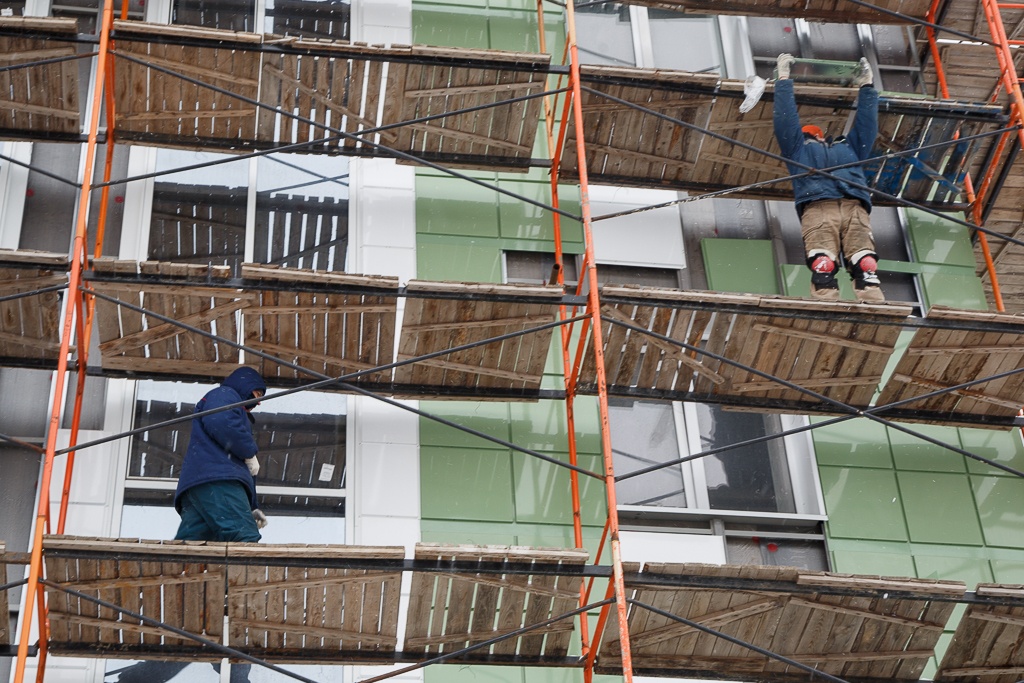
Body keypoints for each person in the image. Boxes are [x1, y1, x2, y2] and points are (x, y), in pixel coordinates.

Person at [773, 53, 884, 303]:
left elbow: (786, 119)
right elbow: (867, 125)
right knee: (863, 261)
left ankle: (827, 299)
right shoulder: (845, 149)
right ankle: (871, 300)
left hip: (820, 207)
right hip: (850, 204)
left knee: (825, 263)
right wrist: (866, 87)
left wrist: (784, 79)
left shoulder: (803, 149)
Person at [174, 366, 269, 542]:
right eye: (257, 393)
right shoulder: (225, 394)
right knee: (244, 538)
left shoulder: (224, 399)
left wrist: (251, 508)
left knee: (192, 545)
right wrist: (249, 452)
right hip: (218, 480)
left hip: (200, 484)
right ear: (245, 385)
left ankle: (176, 569)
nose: (259, 401)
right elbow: (220, 420)